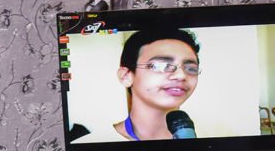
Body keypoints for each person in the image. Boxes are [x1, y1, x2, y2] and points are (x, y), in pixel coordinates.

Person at [71, 28, 200, 143]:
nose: (181, 75)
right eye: (160, 66)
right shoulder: (93, 145)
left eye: (191, 68)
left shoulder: (205, 141)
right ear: (126, 76)